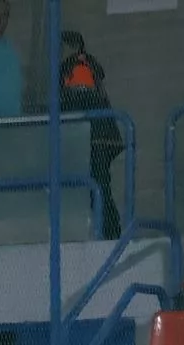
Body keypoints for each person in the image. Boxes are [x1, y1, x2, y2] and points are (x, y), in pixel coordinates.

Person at [59, 31, 124, 240]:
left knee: (98, 186)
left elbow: (79, 100)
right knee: (99, 186)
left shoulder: (76, 67)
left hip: (94, 137)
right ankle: (109, 232)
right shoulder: (85, 65)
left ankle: (109, 234)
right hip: (99, 136)